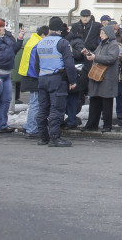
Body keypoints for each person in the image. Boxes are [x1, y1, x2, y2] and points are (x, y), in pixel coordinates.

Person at [30, 17, 78, 147]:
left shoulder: (41, 42)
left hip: (43, 78)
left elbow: (36, 64)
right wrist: (72, 80)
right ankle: (54, 138)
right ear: (60, 29)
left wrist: (40, 77)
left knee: (43, 109)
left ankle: (42, 137)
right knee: (56, 109)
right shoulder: (62, 43)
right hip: (57, 79)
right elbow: (69, 63)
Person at [83, 25, 121, 132]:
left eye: (102, 33)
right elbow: (96, 54)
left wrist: (95, 57)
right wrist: (89, 53)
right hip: (98, 77)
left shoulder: (113, 45)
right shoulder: (101, 44)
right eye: (100, 33)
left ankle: (107, 125)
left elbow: (111, 58)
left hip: (107, 77)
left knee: (106, 103)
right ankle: (91, 124)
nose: (100, 35)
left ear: (108, 34)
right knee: (95, 101)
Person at [19, 26, 48, 138]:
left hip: (29, 76)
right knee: (35, 104)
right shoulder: (38, 44)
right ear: (43, 35)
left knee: (34, 103)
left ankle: (29, 126)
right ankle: (32, 129)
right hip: (34, 78)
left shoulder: (32, 41)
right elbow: (35, 65)